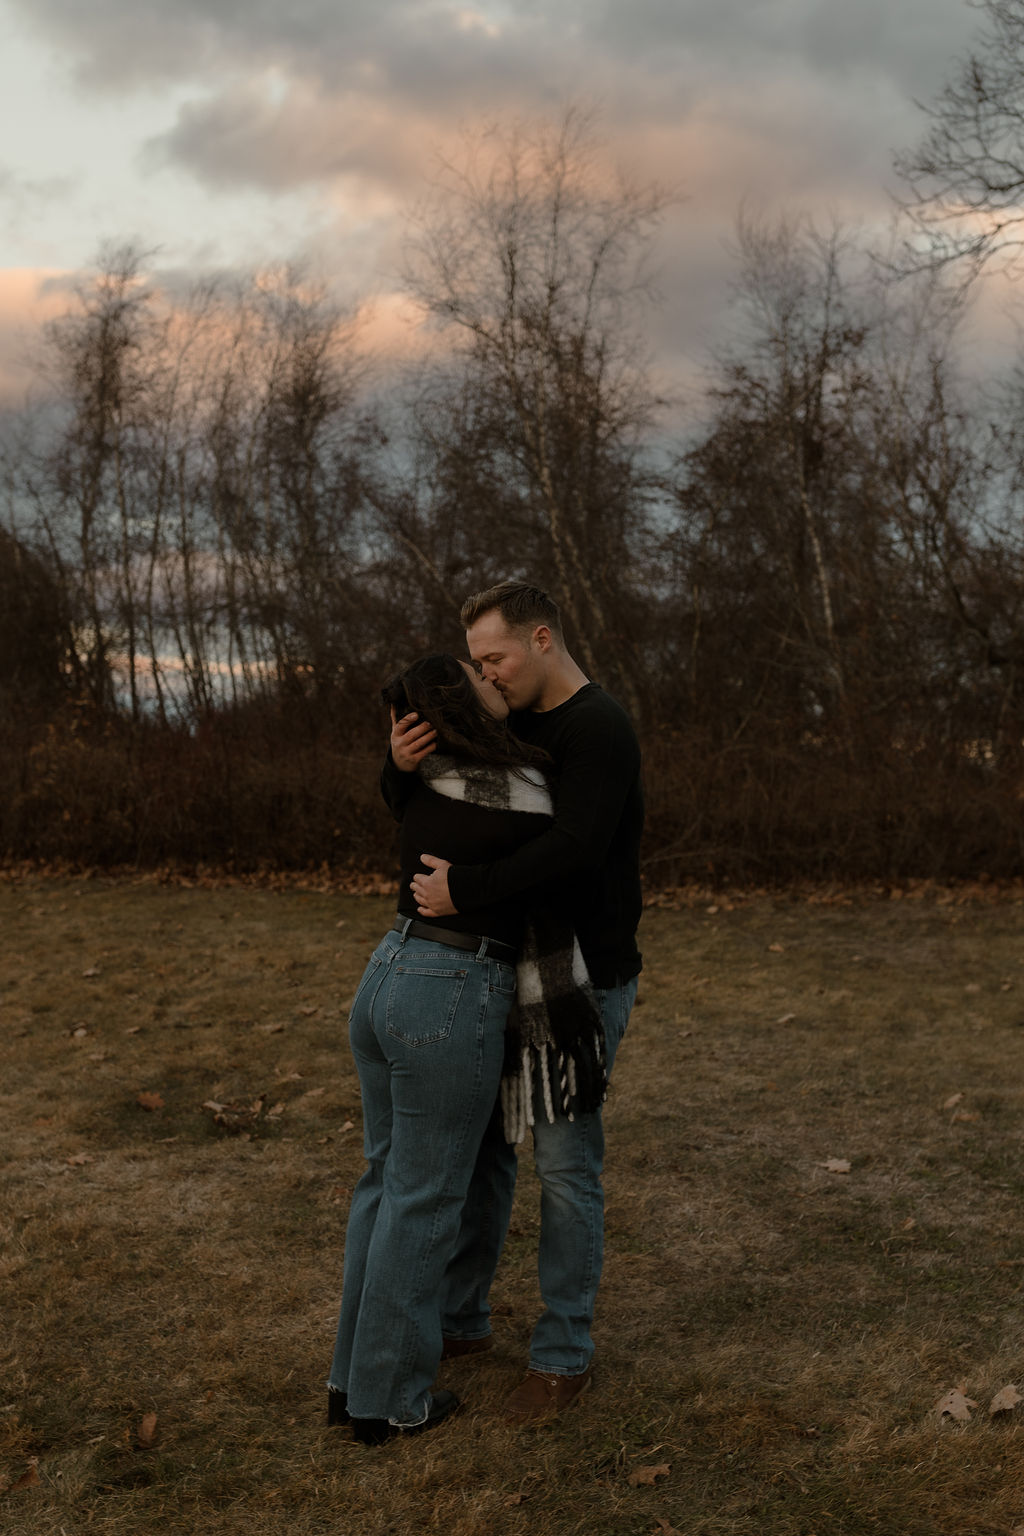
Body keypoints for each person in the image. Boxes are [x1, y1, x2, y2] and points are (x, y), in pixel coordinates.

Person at [400, 581, 644, 1423]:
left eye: (494, 658)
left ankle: (563, 1354)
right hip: (502, 972)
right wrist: (396, 769)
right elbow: (449, 808)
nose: (485, 675)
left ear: (542, 639)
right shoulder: (510, 724)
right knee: (482, 1157)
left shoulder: (599, 728)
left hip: (582, 984)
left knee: (569, 1169)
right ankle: (463, 1321)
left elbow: (575, 850)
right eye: (476, 662)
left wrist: (467, 890)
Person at [327, 651, 556, 1445]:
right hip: (450, 988)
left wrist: (396, 764)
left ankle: (350, 1378)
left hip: (387, 971)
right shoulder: (519, 793)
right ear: (460, 707)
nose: (496, 681)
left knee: (385, 1184)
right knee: (424, 1198)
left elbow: (403, 791)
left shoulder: (432, 779)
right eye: (480, 676)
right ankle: (387, 1400)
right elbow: (561, 864)